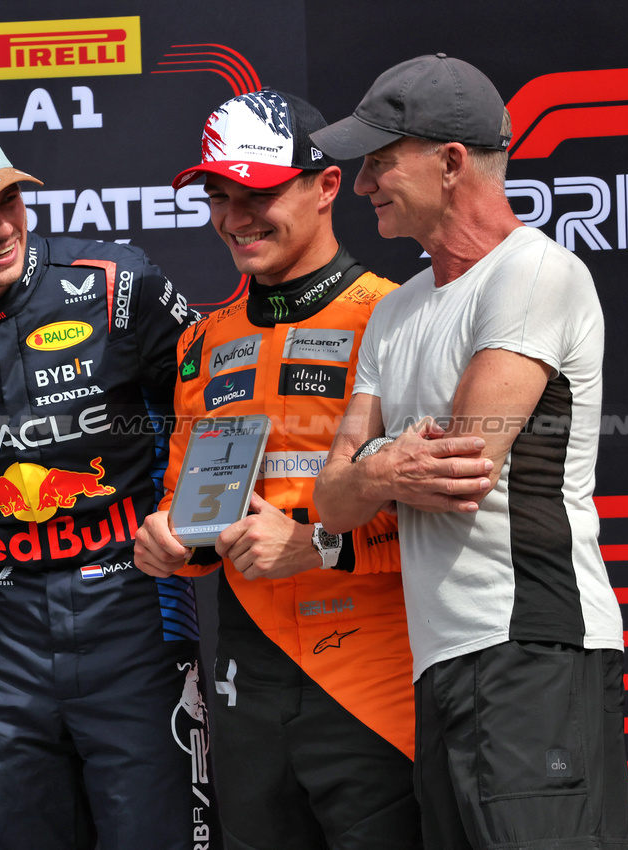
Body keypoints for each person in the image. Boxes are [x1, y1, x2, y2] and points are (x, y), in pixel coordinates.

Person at [310, 55, 628, 849]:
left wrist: (369, 466)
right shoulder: (394, 313)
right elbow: (330, 500)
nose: (361, 185)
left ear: (450, 162)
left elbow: (462, 466)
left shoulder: (534, 273)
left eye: (379, 163)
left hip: (531, 643)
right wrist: (382, 468)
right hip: (443, 659)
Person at [0, 119, 218, 850]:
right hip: (3, 638)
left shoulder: (119, 284)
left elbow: (215, 413)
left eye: (8, 201)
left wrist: (193, 519)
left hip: (134, 614)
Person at [134, 89, 420, 849]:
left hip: (374, 678)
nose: (235, 217)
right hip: (246, 681)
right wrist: (168, 539)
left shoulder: (395, 318)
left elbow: (451, 518)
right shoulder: (203, 340)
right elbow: (188, 511)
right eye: (218, 196)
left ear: (327, 186)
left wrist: (315, 544)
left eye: (257, 192)